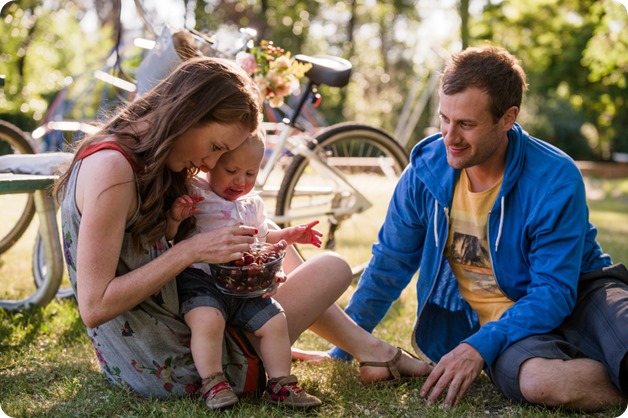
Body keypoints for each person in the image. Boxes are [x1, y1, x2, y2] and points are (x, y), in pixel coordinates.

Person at [53, 56, 431, 401]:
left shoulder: (140, 157)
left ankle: (369, 352)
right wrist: (193, 250)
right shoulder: (112, 170)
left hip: (172, 338)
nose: (210, 162)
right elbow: (94, 305)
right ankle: (371, 353)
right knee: (331, 268)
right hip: (179, 361)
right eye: (216, 146)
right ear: (188, 112)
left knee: (280, 251)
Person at [329, 45, 628, 411]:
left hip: (583, 291)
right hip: (504, 326)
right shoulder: (425, 173)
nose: (450, 137)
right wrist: (344, 348)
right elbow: (388, 266)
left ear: (507, 118)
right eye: (445, 119)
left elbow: (554, 290)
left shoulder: (554, 177)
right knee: (542, 383)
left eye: (466, 124)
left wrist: (477, 348)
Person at [168, 132, 323, 409]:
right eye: (232, 171)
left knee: (275, 320)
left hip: (242, 284)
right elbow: (170, 238)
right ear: (210, 163)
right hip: (201, 280)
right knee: (207, 319)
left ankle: (280, 384)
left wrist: (291, 234)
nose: (241, 181)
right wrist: (175, 218)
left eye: (250, 173)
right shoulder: (195, 193)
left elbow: (261, 239)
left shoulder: (253, 204)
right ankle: (214, 383)